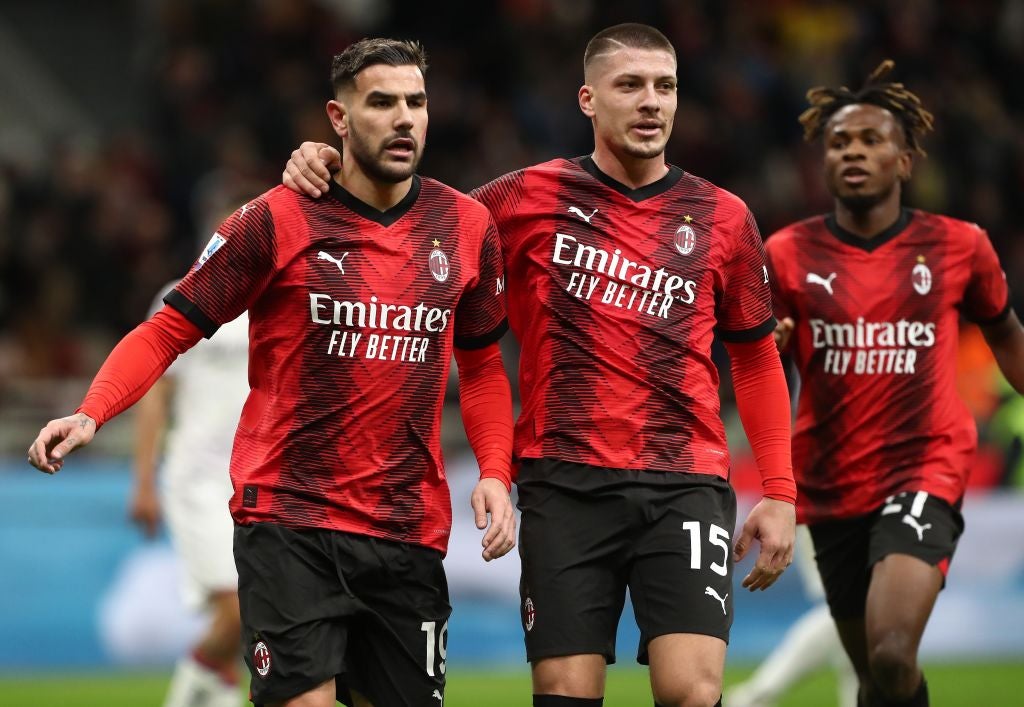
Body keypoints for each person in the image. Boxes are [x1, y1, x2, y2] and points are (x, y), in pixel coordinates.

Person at [283, 23, 796, 707]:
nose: (652, 102)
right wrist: (328, 160)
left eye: (665, 87)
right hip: (563, 484)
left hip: (687, 481)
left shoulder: (723, 216)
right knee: (563, 692)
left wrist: (782, 492)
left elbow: (758, 359)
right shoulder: (523, 197)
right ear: (588, 99)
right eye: (631, 86)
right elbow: (411, 209)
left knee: (691, 691)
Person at [28, 38, 517, 707]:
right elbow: (169, 327)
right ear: (338, 119)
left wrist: (493, 470)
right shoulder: (273, 220)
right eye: (381, 102)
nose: (404, 117)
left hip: (407, 527)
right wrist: (91, 411)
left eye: (416, 101)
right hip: (291, 521)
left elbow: (483, 363)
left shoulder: (465, 226)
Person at [764, 61, 1024, 707]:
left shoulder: (959, 245)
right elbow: (756, 364)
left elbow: (1007, 336)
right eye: (839, 143)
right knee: (876, 679)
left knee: (890, 650)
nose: (853, 151)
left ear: (905, 161)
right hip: (828, 483)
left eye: (872, 141)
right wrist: (765, 349)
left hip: (923, 466)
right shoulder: (785, 255)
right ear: (823, 163)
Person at [130, 280, 248, 707]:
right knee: (239, 609)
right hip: (198, 478)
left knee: (260, 614)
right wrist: (143, 480)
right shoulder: (187, 293)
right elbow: (154, 390)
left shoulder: (282, 293)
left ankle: (218, 693)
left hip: (258, 479)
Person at [724, 526, 856, 707]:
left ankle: (756, 695)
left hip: (874, 515)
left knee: (854, 618)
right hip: (831, 514)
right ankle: (757, 695)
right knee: (846, 611)